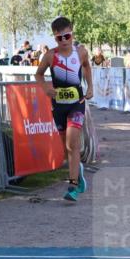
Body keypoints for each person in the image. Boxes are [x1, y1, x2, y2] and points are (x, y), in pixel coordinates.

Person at [35, 16, 93, 203]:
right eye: (60, 38)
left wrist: (90, 87)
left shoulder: (81, 52)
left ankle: (73, 185)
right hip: (58, 105)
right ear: (55, 38)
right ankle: (79, 172)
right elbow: (39, 74)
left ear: (72, 34)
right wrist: (45, 88)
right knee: (65, 147)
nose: (64, 41)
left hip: (77, 102)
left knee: (72, 143)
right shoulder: (50, 56)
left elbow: (86, 67)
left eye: (67, 36)